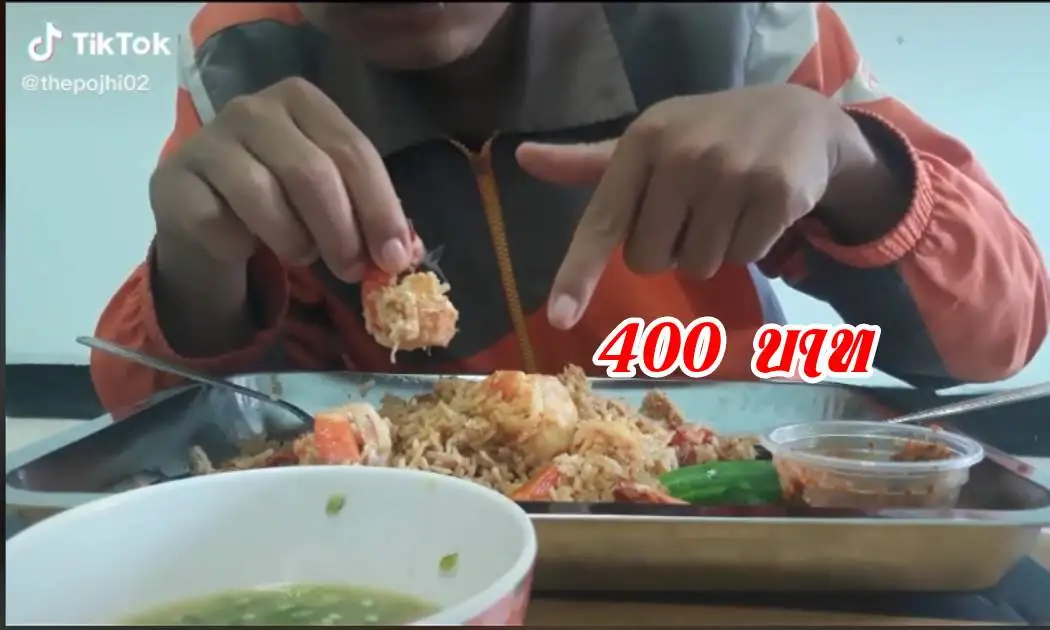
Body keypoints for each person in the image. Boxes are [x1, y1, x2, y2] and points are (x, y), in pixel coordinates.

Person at [91, 2, 1048, 412]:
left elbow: (998, 336)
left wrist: (853, 166)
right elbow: (193, 430)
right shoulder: (246, 57)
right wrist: (197, 272)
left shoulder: (736, 22)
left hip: (720, 531)